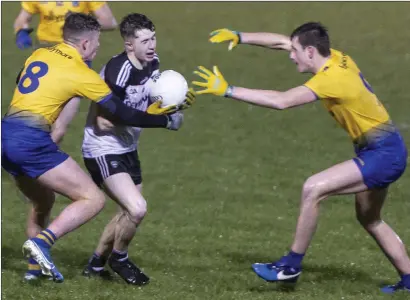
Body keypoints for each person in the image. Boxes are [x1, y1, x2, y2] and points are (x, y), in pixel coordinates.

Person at [192, 23, 410, 294]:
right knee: (370, 219)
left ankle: (290, 266)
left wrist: (228, 89)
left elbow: (282, 100)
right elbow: (283, 42)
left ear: (310, 51)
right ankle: (409, 279)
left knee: (313, 188)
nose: (290, 55)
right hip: (384, 149)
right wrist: (240, 37)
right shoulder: (337, 57)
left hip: (383, 155)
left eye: (296, 51)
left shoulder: (331, 79)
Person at [2, 12, 184, 283]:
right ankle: (42, 243)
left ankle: (33, 270)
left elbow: (22, 80)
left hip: (5, 134)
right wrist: (164, 119)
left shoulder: (40, 54)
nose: (98, 48)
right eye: (97, 42)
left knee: (43, 201)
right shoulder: (81, 73)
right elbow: (120, 113)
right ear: (85, 44)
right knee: (93, 199)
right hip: (31, 142)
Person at [80, 12, 195, 286]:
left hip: (128, 146)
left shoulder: (153, 63)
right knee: (137, 208)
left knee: (126, 212)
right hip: (102, 148)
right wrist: (162, 120)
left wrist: (173, 105)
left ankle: (95, 265)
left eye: (153, 38)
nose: (152, 45)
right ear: (129, 44)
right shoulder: (117, 72)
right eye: (144, 40)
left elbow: (147, 103)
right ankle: (119, 258)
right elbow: (105, 121)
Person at [14, 1, 117, 49]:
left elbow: (109, 22)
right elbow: (22, 19)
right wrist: (21, 32)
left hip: (76, 48)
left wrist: (82, 26)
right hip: (46, 47)